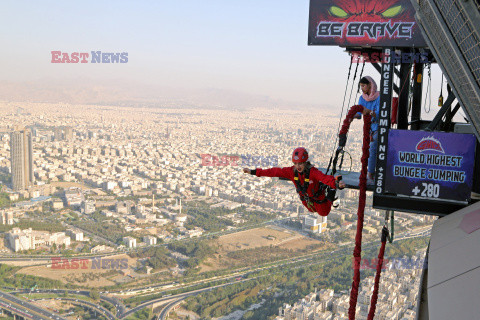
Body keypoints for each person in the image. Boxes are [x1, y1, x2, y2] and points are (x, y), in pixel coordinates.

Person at [243, 147, 345, 217]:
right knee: (311, 210)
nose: (298, 166)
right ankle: (331, 190)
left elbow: (324, 178)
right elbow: (274, 171)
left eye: (300, 163)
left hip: (318, 197)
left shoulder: (313, 172)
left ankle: (331, 193)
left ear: (305, 162)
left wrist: (336, 184)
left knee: (323, 213)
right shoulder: (291, 171)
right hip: (306, 199)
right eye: (295, 163)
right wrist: (253, 172)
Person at [354, 76, 380, 183]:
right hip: (368, 129)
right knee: (367, 149)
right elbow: (360, 113)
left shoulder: (379, 97)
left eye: (363, 85)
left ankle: (370, 172)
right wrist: (353, 114)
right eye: (361, 86)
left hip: (378, 127)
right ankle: (369, 172)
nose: (362, 88)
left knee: (373, 149)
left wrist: (370, 112)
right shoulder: (362, 98)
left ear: (370, 85)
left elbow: (379, 114)